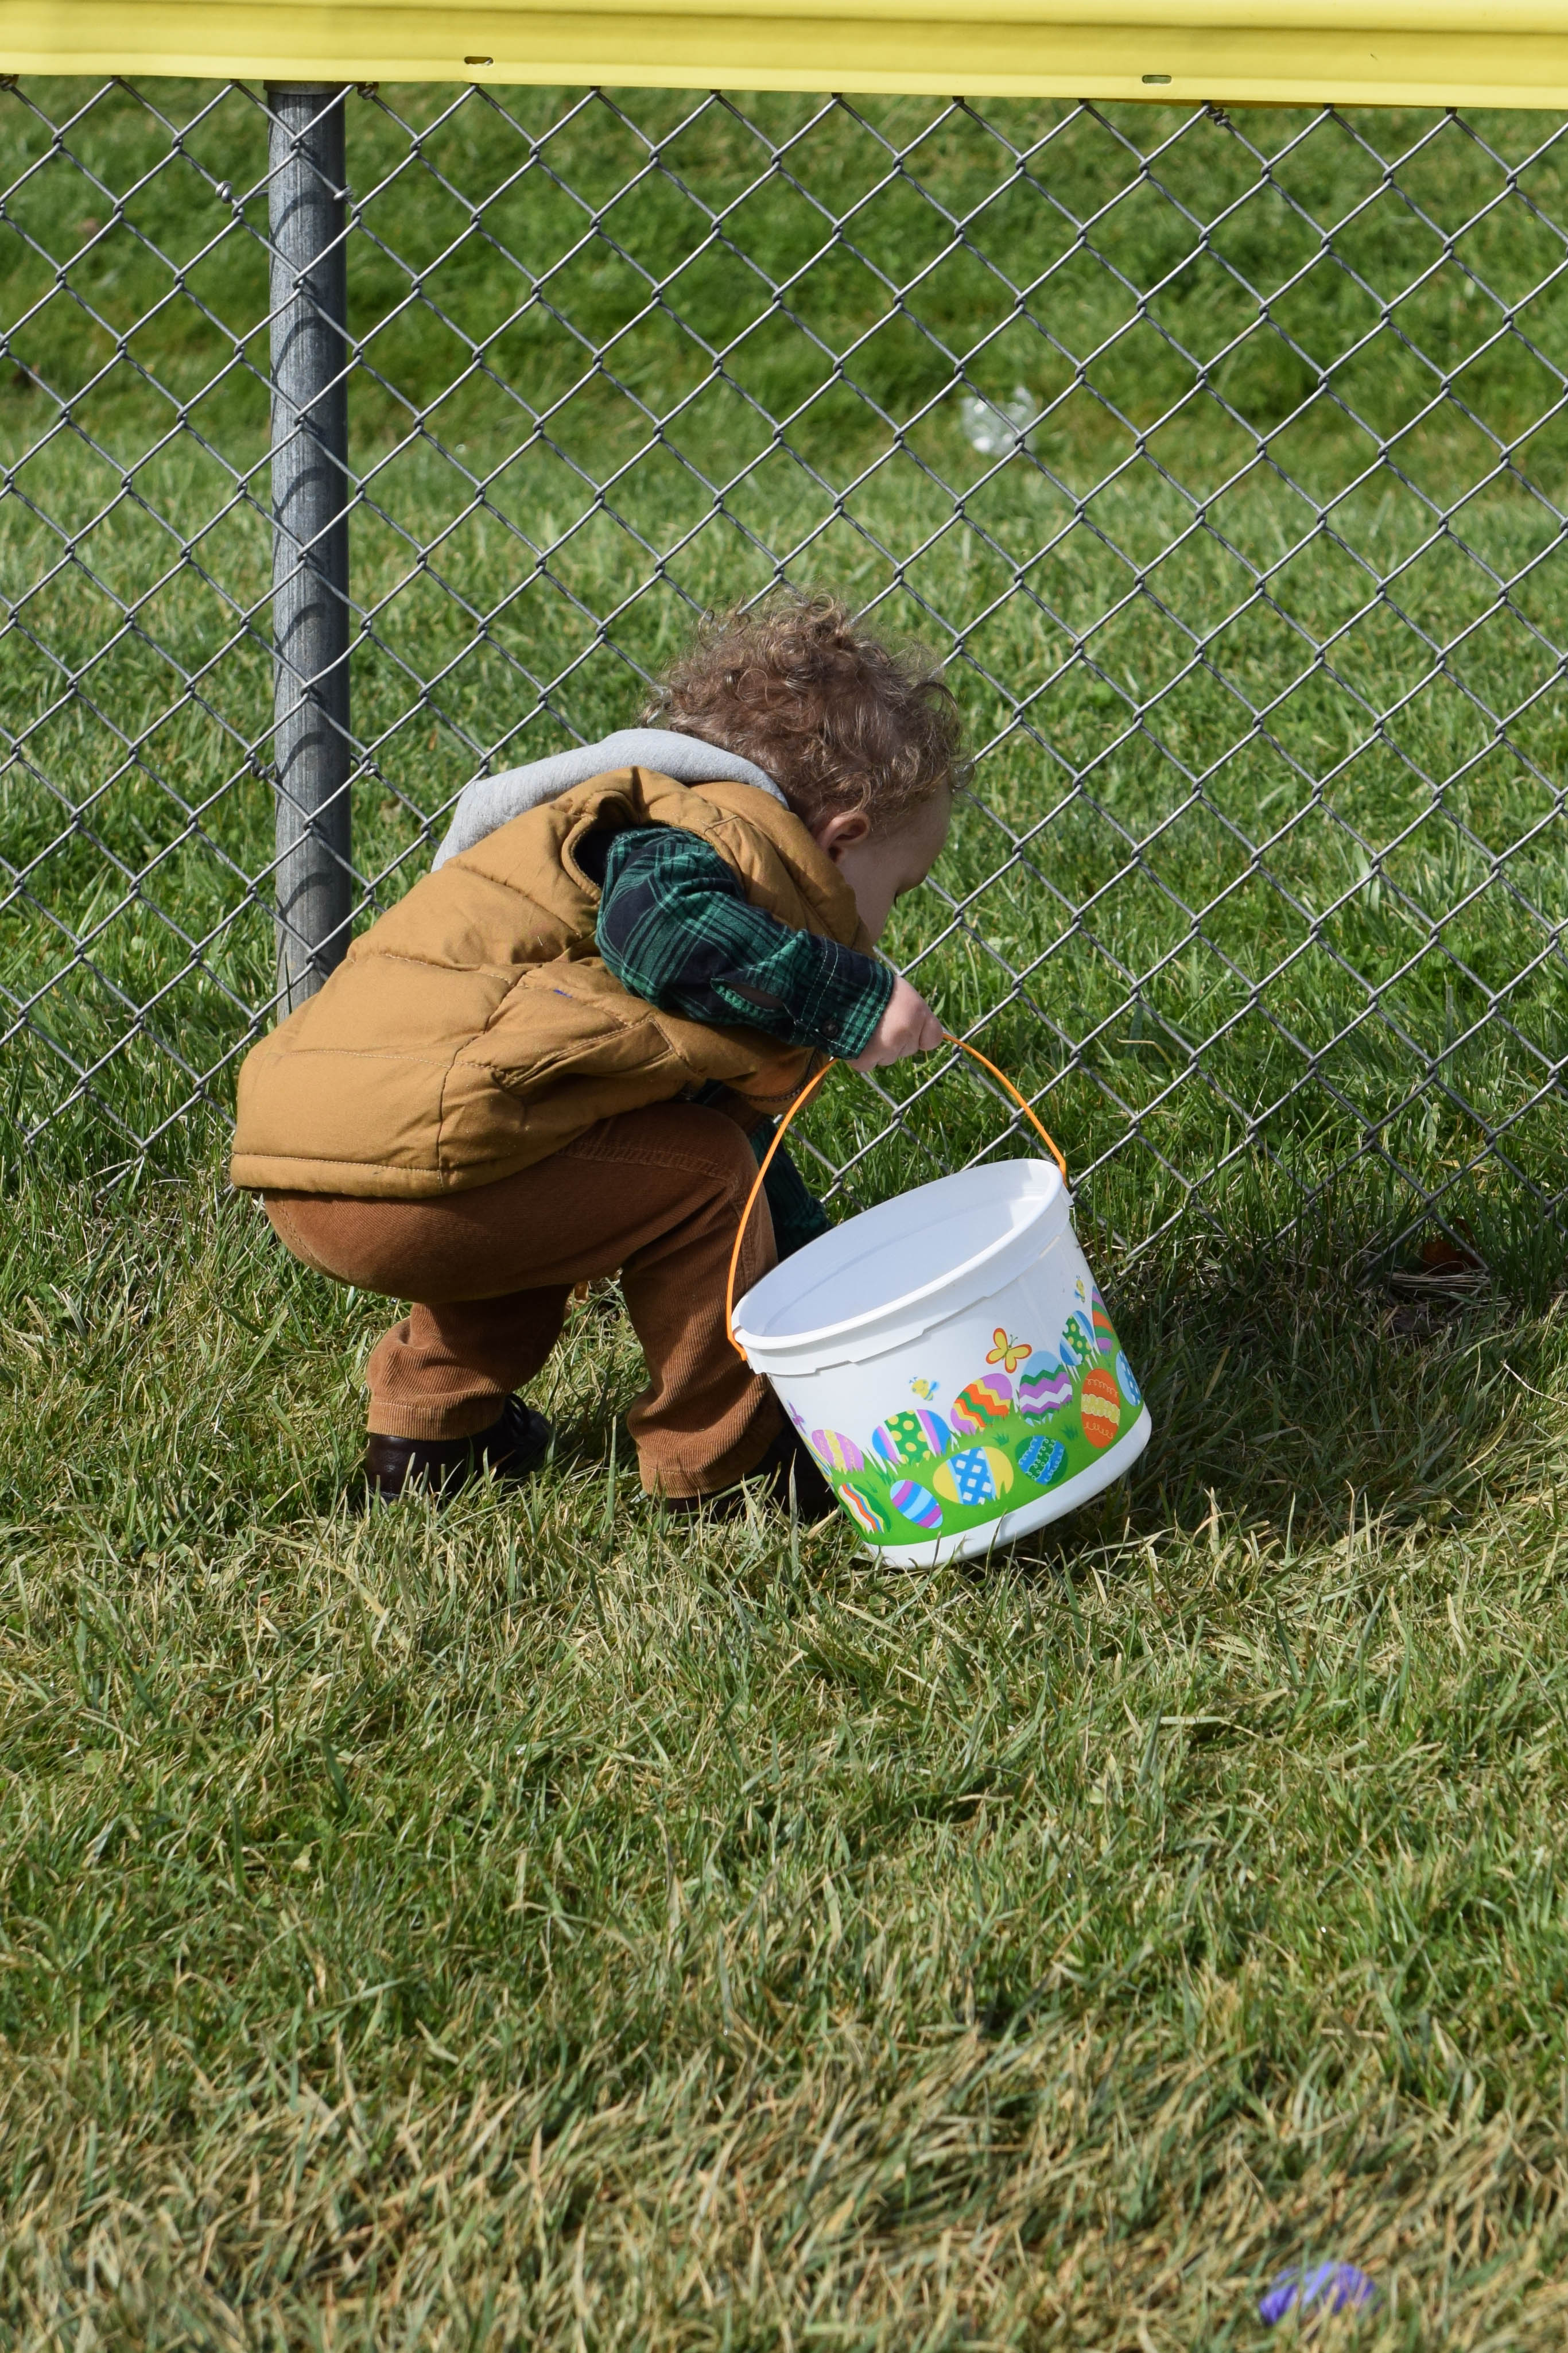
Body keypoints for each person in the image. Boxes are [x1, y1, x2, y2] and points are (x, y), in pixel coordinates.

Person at [230, 590, 963, 1513]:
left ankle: (432, 1437)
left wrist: (832, 1293)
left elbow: (755, 1168)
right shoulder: (705, 838)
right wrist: (850, 998)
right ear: (841, 838)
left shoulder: (627, 848)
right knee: (702, 1177)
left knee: (572, 1175)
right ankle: (727, 1463)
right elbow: (661, 934)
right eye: (900, 888)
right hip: (406, 1159)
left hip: (318, 1160)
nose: (885, 923)